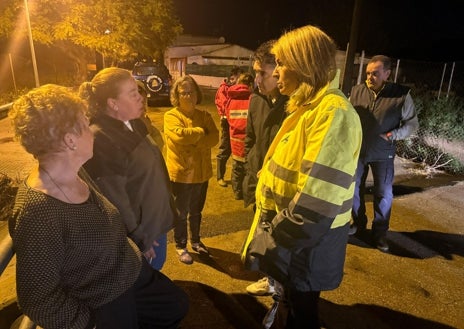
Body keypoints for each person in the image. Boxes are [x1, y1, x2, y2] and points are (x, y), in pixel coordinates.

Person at [8, 84, 188, 329]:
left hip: (130, 272)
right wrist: (90, 324)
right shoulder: (37, 211)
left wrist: (137, 243)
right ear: (70, 140)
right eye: (85, 125)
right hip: (103, 301)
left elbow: (102, 222)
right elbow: (38, 299)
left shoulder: (77, 172)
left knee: (175, 306)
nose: (92, 132)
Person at [241, 25, 362, 329]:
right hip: (297, 242)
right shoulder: (308, 108)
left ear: (303, 64)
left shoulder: (332, 113)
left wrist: (274, 239)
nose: (276, 72)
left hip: (304, 245)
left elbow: (316, 201)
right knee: (293, 306)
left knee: (301, 314)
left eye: (281, 63)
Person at [80, 67, 175, 271]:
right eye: (133, 93)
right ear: (113, 103)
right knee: (142, 288)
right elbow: (113, 198)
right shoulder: (101, 138)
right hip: (141, 238)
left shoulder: (135, 124)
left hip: (153, 224)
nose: (142, 97)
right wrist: (138, 239)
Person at [349, 55, 419, 252]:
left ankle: (379, 233)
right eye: (368, 73)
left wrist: (394, 134)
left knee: (384, 193)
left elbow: (412, 124)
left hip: (383, 154)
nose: (370, 77)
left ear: (387, 74)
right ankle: (358, 223)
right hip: (358, 151)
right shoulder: (357, 91)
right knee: (354, 190)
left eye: (375, 73)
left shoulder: (401, 96)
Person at [243, 40, 289, 297]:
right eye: (256, 72)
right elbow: (250, 140)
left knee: (277, 236)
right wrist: (251, 169)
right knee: (261, 231)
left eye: (262, 72)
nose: (257, 78)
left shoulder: (293, 106)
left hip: (279, 187)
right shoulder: (256, 100)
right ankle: (269, 280)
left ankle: (280, 283)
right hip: (258, 181)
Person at [164, 75, 219, 264]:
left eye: (191, 91)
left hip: (202, 173)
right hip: (182, 174)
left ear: (197, 94)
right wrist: (200, 133)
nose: (188, 96)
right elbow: (180, 137)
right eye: (183, 92)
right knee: (181, 212)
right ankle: (181, 245)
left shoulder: (205, 115)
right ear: (177, 96)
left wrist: (194, 141)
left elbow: (215, 138)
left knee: (196, 211)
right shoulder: (171, 116)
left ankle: (196, 241)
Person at [225, 72, 254, 200]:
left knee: (236, 169)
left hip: (234, 140)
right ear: (250, 84)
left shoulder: (230, 99)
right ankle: (246, 193)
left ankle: (237, 193)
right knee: (247, 170)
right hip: (248, 141)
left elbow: (227, 117)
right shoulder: (253, 99)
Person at [215, 66, 243, 187]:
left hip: (236, 122)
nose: (241, 80)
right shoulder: (224, 89)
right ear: (233, 77)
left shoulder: (236, 89)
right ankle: (220, 177)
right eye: (239, 77)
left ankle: (237, 179)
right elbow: (225, 105)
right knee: (225, 149)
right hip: (227, 122)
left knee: (238, 148)